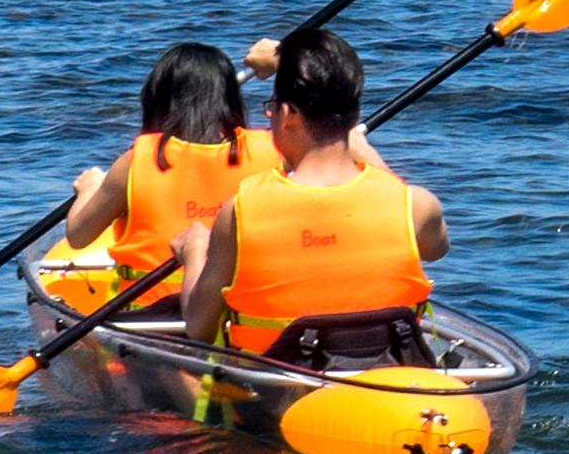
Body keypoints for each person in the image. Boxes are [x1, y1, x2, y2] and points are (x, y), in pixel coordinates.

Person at [181, 24, 449, 370]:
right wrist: (361, 148)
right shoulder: (416, 205)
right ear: (353, 113)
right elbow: (435, 249)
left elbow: (198, 328)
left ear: (289, 114)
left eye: (272, 107)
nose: (268, 115)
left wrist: (194, 254)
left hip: (271, 397)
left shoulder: (240, 212)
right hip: (389, 382)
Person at [51, 41, 247, 294]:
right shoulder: (270, 154)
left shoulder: (135, 161)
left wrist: (89, 188)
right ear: (230, 98)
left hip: (152, 311)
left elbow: (78, 236)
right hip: (228, 306)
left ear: (158, 99)